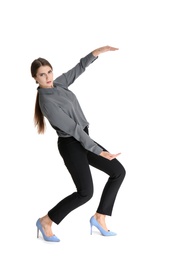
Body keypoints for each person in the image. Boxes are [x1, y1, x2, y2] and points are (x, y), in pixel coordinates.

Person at [31, 45, 126, 242]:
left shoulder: (58, 85)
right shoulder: (46, 102)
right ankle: (46, 220)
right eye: (42, 75)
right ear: (35, 79)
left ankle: (100, 217)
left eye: (49, 71)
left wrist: (96, 53)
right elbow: (73, 129)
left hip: (84, 138)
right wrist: (98, 151)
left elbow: (78, 68)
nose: (48, 77)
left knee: (118, 172)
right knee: (85, 193)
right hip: (71, 145)